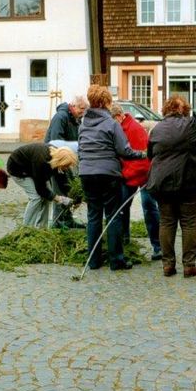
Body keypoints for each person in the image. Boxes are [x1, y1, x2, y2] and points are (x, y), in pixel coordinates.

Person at [79, 84, 146, 271]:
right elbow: (124, 150)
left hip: (86, 173)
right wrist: (143, 154)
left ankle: (93, 261)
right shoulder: (111, 123)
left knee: (93, 216)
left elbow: (82, 146)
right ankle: (116, 260)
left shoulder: (83, 123)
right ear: (105, 102)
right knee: (113, 216)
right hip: (108, 173)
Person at [146, 95, 196, 277]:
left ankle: (168, 264)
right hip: (187, 182)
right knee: (189, 222)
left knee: (166, 222)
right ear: (184, 110)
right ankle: (189, 265)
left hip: (162, 183)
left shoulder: (156, 129)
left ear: (166, 109)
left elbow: (150, 154)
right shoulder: (190, 123)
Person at [110, 103, 162, 261]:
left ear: (119, 116)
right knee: (122, 208)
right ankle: (125, 242)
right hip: (128, 175)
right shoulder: (118, 129)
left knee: (149, 208)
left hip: (143, 175)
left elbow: (144, 157)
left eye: (113, 120)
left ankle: (158, 246)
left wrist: (125, 173)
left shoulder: (134, 129)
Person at [7, 143, 77, 228]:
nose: (66, 168)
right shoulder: (41, 161)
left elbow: (63, 182)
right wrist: (59, 199)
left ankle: (42, 227)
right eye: (66, 166)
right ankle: (26, 228)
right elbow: (41, 189)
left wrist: (74, 198)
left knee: (47, 198)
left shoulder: (57, 157)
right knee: (36, 197)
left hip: (33, 168)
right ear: (60, 161)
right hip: (18, 169)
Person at [45, 96, 88, 229]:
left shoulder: (76, 119)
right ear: (73, 106)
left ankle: (67, 219)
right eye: (81, 109)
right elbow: (55, 140)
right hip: (58, 158)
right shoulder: (61, 117)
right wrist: (64, 159)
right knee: (59, 188)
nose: (83, 112)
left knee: (67, 187)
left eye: (84, 110)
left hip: (68, 158)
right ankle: (58, 222)